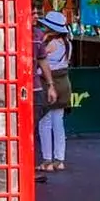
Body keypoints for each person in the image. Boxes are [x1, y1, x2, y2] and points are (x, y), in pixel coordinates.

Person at [36, 10, 72, 172]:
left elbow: (39, 60)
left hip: (49, 84)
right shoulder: (68, 43)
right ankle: (60, 159)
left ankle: (47, 160)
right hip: (64, 83)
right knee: (59, 123)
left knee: (45, 122)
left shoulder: (49, 43)